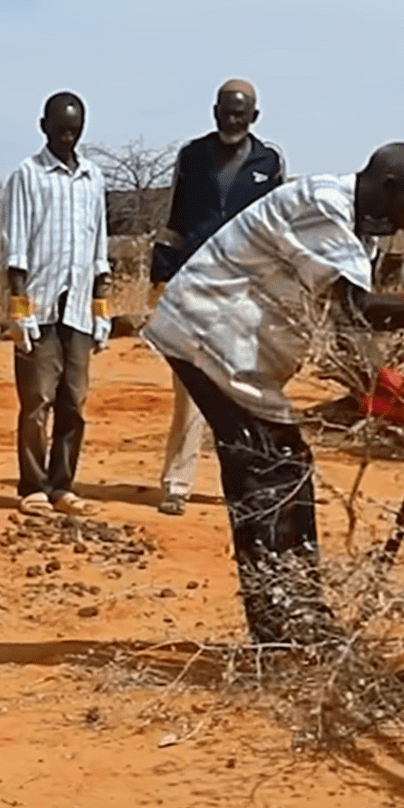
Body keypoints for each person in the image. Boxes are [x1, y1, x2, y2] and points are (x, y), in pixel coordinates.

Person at [142, 142, 404, 647]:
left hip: (235, 352)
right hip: (208, 338)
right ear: (385, 187)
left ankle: (300, 612)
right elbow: (361, 309)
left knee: (287, 467)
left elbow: (343, 327)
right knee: (263, 475)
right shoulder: (323, 206)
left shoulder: (356, 231)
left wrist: (403, 401)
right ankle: (279, 626)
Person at [149, 80, 285, 514]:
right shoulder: (192, 157)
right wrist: (160, 277)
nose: (232, 121)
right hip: (193, 289)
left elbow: (280, 228)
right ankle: (176, 483)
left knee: (245, 393)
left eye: (240, 115)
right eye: (226, 113)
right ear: (215, 112)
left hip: (248, 293)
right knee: (190, 391)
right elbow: (174, 220)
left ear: (254, 118)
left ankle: (247, 485)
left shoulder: (270, 161)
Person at [1, 92, 110, 518]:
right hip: (40, 306)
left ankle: (63, 485)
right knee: (36, 401)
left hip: (79, 308)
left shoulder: (93, 179)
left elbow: (99, 247)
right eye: (61, 129)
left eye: (75, 130)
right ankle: (33, 486)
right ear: (43, 126)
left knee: (74, 401)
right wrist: (18, 310)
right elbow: (15, 249)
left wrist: (101, 310)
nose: (68, 137)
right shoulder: (27, 176)